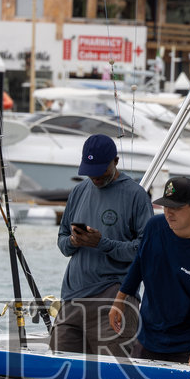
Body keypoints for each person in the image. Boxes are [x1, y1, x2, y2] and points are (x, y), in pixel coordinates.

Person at [107, 177, 190, 366]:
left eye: (177, 207)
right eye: (165, 206)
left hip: (188, 349)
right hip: (146, 339)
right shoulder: (154, 227)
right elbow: (139, 264)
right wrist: (120, 300)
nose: (169, 213)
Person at [52, 134, 152, 357]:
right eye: (89, 170)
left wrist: (103, 244)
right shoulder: (79, 191)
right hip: (72, 298)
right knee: (60, 372)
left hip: (114, 298)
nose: (95, 177)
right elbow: (62, 240)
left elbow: (147, 251)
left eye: (100, 170)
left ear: (115, 161)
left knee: (112, 376)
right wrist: (73, 241)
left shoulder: (136, 195)